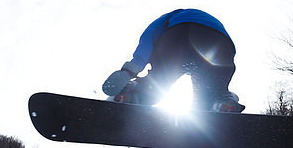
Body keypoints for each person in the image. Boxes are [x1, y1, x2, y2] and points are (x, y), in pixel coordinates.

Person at [102, 8, 244, 112]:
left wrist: (132, 67)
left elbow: (148, 38)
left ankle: (130, 94)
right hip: (220, 44)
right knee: (210, 92)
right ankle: (222, 103)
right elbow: (227, 58)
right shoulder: (211, 22)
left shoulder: (169, 17)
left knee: (158, 83)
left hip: (180, 34)